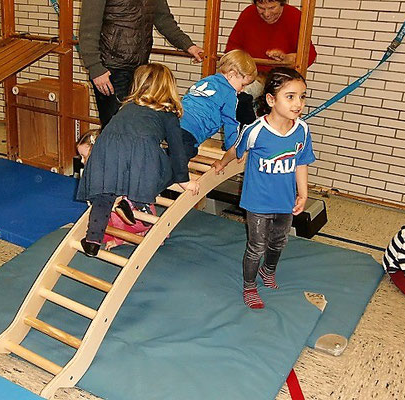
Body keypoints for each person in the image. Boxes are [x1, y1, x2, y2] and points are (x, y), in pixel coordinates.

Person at [214, 67, 316, 309]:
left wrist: (303, 193)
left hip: (284, 199)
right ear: (271, 99)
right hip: (258, 201)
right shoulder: (256, 130)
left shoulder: (302, 129)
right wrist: (222, 162)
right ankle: (249, 286)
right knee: (257, 245)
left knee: (279, 241)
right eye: (290, 96)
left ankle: (268, 271)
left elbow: (301, 162)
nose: (298, 103)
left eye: (302, 96)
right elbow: (236, 151)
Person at [77, 63, 200, 257]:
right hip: (139, 151)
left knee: (104, 195)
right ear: (169, 88)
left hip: (104, 148)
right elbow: (177, 152)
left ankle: (92, 240)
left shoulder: (127, 107)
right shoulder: (168, 115)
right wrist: (184, 180)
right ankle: (135, 200)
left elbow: (120, 138)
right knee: (164, 166)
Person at [79, 0, 204, 129]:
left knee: (136, 124)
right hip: (110, 69)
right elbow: (88, 29)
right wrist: (95, 68)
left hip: (140, 71)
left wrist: (188, 46)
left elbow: (164, 19)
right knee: (115, 127)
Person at [76, 129, 157, 250]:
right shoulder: (113, 165)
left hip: (137, 218)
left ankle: (130, 234)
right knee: (101, 227)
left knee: (109, 209)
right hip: (133, 216)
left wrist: (118, 240)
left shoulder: (110, 174)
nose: (82, 161)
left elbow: (114, 214)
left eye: (84, 156)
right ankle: (137, 232)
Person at [179, 49, 257, 162]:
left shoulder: (207, 80)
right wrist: (234, 150)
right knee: (186, 153)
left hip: (175, 119)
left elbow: (189, 97)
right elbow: (231, 123)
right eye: (243, 85)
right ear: (231, 75)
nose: (242, 90)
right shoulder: (230, 94)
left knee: (181, 148)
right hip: (191, 129)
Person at [225, 0, 317, 74]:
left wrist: (289, 59)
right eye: (261, 8)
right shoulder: (248, 13)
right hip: (249, 75)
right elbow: (232, 49)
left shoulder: (294, 16)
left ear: (282, 3)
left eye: (272, 7)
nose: (267, 14)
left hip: (281, 78)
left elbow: (309, 55)